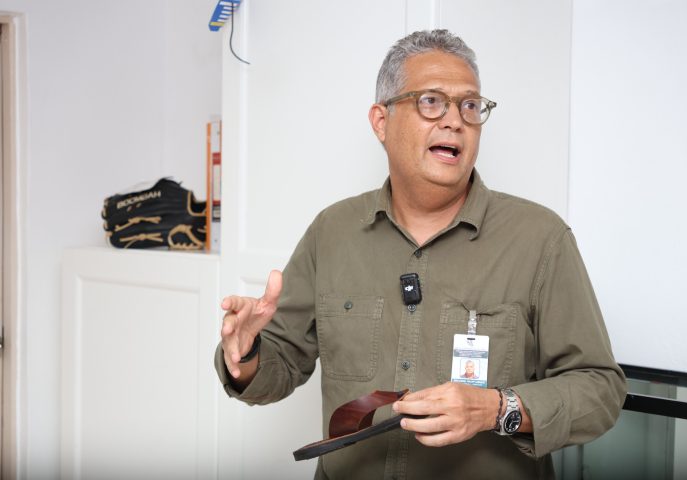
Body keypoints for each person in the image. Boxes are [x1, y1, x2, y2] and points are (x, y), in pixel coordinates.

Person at [215, 29, 626, 479]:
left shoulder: (540, 238)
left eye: (470, 106)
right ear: (381, 121)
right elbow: (278, 365)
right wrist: (245, 355)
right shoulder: (331, 232)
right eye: (431, 101)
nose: (455, 121)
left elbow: (600, 389)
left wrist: (496, 408)